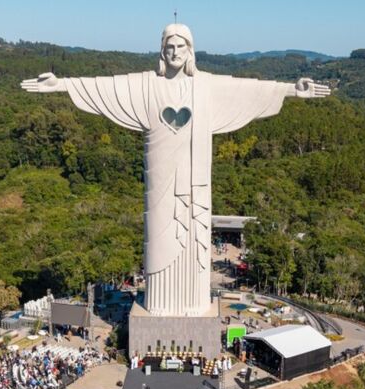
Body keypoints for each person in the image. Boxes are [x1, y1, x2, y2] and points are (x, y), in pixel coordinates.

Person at [22, 24, 328, 319]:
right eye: (169, 46)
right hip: (160, 183)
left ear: (190, 50)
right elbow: (106, 84)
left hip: (197, 184)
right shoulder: (145, 84)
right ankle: (159, 302)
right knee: (158, 240)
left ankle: (194, 303)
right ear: (161, 50)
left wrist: (291, 90)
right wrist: (60, 84)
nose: (174, 51)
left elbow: (246, 90)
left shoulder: (206, 84)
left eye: (180, 46)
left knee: (195, 241)